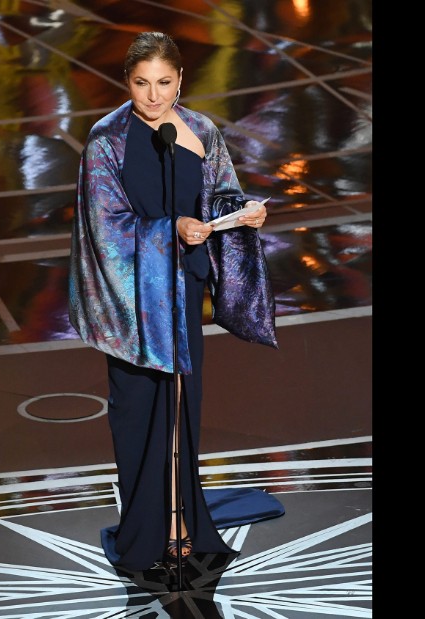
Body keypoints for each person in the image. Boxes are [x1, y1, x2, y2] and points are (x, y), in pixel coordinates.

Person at [68, 31, 284, 573]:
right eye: (141, 84)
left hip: (183, 293)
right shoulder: (105, 141)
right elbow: (105, 230)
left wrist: (243, 214)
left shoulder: (202, 131)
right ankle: (147, 531)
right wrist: (170, 229)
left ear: (181, 80)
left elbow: (220, 196)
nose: (153, 96)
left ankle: (183, 520)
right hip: (133, 306)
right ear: (126, 82)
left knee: (182, 408)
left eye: (164, 83)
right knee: (140, 412)